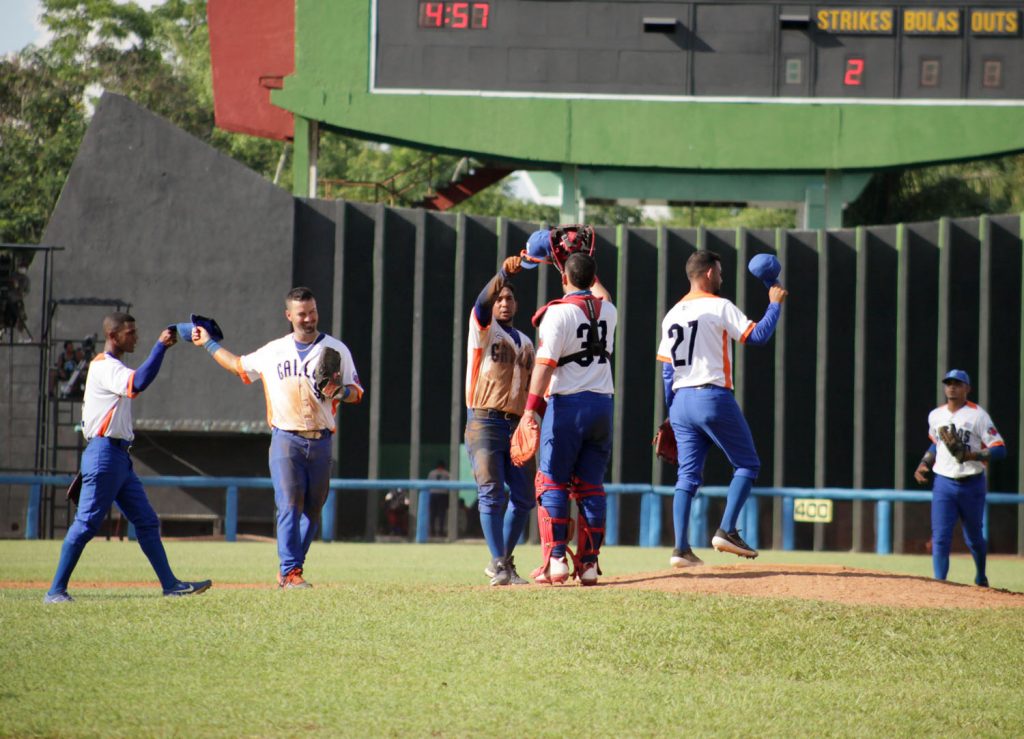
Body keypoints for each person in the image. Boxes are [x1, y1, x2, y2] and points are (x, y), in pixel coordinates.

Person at [192, 286, 363, 589]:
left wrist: (340, 392)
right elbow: (238, 366)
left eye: (312, 312)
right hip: (286, 438)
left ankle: (292, 566)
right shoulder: (274, 351)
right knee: (289, 505)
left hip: (321, 439)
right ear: (289, 316)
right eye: (302, 314)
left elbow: (356, 393)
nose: (309, 318)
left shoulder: (336, 350)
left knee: (313, 509)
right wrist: (208, 344)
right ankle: (290, 572)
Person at [44, 313, 211, 602]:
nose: (135, 337)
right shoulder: (104, 366)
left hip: (119, 457)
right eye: (129, 332)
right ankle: (55, 590)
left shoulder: (113, 366)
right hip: (104, 454)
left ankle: (170, 585)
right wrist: (160, 347)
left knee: (145, 521)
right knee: (86, 524)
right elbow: (138, 383)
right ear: (113, 336)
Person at [656, 250, 787, 566]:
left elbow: (667, 370)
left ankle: (681, 550)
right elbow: (757, 336)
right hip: (711, 396)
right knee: (747, 464)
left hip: (681, 401)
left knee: (686, 477)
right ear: (709, 274)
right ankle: (726, 529)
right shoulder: (719, 306)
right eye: (720, 272)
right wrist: (775, 303)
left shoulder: (672, 314)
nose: (722, 277)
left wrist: (672, 413)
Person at [511, 251, 616, 586]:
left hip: (567, 406)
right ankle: (588, 564)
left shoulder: (557, 314)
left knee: (552, 481)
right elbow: (601, 295)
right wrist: (576, 262)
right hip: (602, 406)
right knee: (591, 487)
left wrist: (529, 411)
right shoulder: (608, 311)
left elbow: (545, 365)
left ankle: (555, 560)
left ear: (563, 279)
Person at [465, 255, 536, 586]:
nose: (504, 302)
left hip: (517, 424)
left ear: (516, 304)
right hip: (485, 419)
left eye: (509, 298)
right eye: (500, 298)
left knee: (523, 497)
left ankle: (502, 562)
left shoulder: (527, 342)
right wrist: (502, 274)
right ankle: (498, 561)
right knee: (491, 491)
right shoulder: (483, 329)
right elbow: (480, 302)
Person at [913, 369, 1006, 587]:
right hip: (944, 482)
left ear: (967, 388)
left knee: (973, 538)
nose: (952, 387)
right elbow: (936, 443)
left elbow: (1000, 449)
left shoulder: (978, 415)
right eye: (948, 383)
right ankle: (940, 584)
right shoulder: (936, 415)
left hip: (972, 483)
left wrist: (972, 455)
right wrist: (924, 463)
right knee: (940, 537)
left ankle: (981, 575)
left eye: (957, 383)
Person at [426, 460, 451, 537]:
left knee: (433, 514)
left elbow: (427, 484)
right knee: (441, 514)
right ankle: (440, 531)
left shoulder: (432, 473)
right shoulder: (447, 474)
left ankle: (432, 531)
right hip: (442, 495)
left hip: (433, 494)